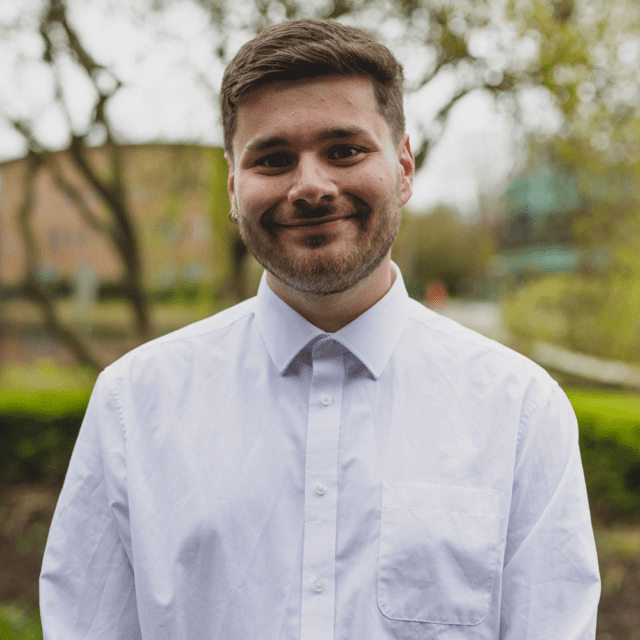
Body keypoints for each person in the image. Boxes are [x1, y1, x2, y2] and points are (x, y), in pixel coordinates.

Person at [40, 18, 600, 639]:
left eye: (344, 150)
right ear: (233, 187)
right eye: (273, 159)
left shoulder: (522, 411)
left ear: (405, 166)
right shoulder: (132, 405)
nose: (310, 186)